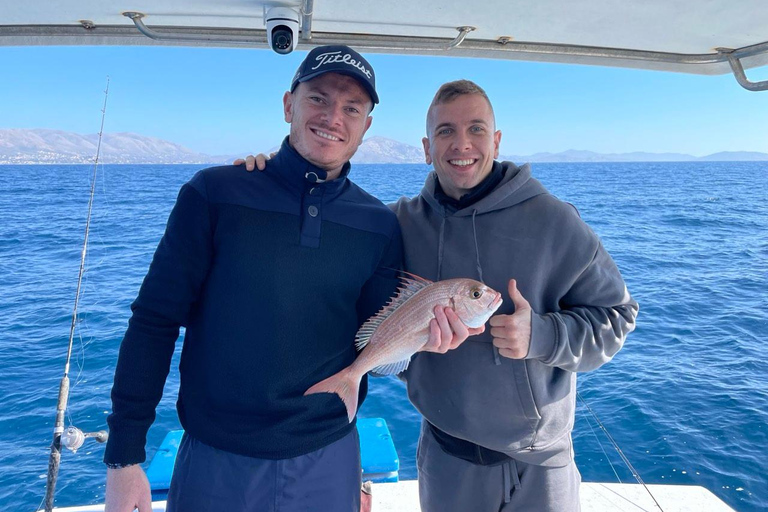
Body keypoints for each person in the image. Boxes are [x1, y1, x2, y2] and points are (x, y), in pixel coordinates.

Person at [243, 79, 638, 512]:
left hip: (541, 465)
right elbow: (326, 245)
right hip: (445, 458)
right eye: (446, 131)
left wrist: (541, 336)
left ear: (497, 139)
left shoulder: (554, 221)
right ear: (427, 148)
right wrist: (275, 177)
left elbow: (616, 315)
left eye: (476, 129)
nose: (462, 144)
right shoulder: (397, 223)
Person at [103, 45, 410, 512]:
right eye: (319, 99)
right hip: (215, 460)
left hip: (330, 457)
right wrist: (124, 458)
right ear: (289, 104)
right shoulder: (215, 193)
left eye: (352, 108)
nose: (333, 117)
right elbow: (153, 322)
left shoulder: (379, 225)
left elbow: (378, 341)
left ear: (366, 126)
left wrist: (436, 334)